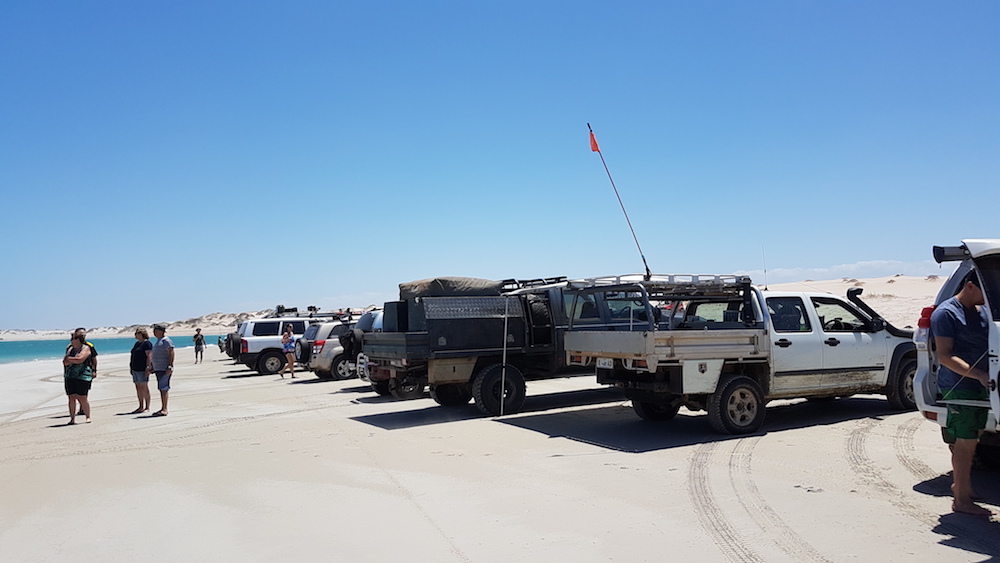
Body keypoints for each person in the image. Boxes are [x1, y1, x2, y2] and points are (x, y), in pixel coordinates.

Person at [931, 270, 992, 518]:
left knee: (971, 438)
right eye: (983, 290)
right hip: (959, 387)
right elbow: (945, 356)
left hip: (982, 386)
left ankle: (961, 486)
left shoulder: (983, 312)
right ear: (969, 286)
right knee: (966, 442)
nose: (987, 297)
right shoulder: (946, 313)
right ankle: (961, 500)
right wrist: (977, 374)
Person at [63, 332, 93, 424]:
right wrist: (74, 359)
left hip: (83, 376)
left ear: (78, 340)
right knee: (71, 397)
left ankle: (87, 416)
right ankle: (72, 418)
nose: (71, 341)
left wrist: (71, 359)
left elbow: (80, 359)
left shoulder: (86, 348)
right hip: (70, 376)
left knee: (82, 397)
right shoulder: (70, 349)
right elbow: (65, 361)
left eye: (73, 339)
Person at [66, 328, 98, 416]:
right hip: (71, 374)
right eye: (81, 334)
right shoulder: (70, 347)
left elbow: (94, 358)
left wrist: (94, 370)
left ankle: (82, 408)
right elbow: (66, 359)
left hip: (85, 372)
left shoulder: (89, 346)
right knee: (72, 394)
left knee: (84, 392)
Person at [150, 323, 175, 416]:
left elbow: (171, 353)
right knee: (161, 388)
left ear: (161, 331)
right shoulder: (158, 341)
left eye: (155, 331)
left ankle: (165, 409)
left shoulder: (166, 341)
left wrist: (170, 366)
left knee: (164, 388)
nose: (154, 333)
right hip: (158, 368)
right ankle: (162, 408)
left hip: (164, 368)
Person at [129, 328, 154, 414]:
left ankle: (147, 407)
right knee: (138, 388)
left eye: (137, 333)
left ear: (142, 334)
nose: (135, 335)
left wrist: (148, 367)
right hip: (135, 368)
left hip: (142, 368)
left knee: (144, 387)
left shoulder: (147, 344)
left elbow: (149, 356)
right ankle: (140, 406)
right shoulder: (137, 344)